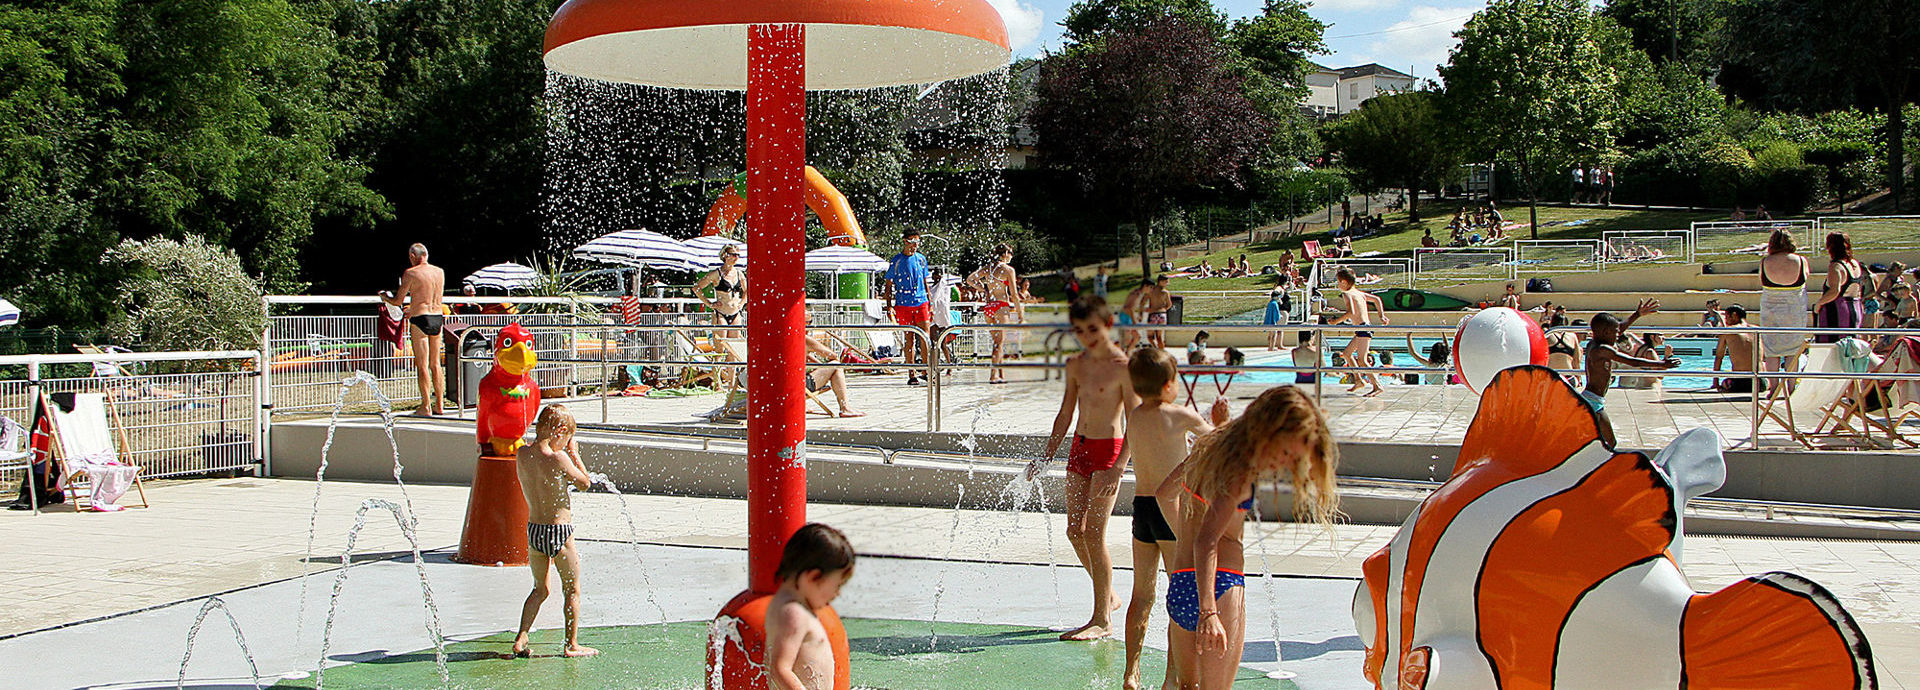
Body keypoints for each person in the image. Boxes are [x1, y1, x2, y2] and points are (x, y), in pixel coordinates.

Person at [1155, 386, 1339, 690]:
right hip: (1219, 590)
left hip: (1182, 583)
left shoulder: (1209, 446)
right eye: (1284, 453)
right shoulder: (1240, 473)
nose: (1281, 464)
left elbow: (1164, 494)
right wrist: (1209, 612)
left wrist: (1182, 539)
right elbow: (1208, 540)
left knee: (1185, 687)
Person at [1025, 296, 1137, 641]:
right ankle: (1110, 598)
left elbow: (1135, 419)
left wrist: (1120, 467)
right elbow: (1065, 413)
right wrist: (1047, 455)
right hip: (1080, 449)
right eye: (1079, 331)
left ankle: (1101, 619)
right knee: (1074, 531)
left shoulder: (1123, 367)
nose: (1087, 337)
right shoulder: (1076, 364)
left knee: (1093, 535)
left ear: (1108, 325)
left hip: (1109, 453)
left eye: (1092, 329)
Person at [1120, 349, 1228, 690]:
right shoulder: (1179, 415)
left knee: (1142, 594)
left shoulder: (1134, 415)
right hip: (1169, 510)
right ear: (1169, 385)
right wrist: (1220, 419)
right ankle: (1171, 677)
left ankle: (1131, 672)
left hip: (1142, 509)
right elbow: (1216, 441)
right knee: (1178, 592)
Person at [511, 405, 599, 658]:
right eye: (567, 438)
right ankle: (572, 644)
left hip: (535, 531)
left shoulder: (522, 454)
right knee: (572, 590)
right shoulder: (558, 458)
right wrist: (574, 455)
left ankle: (521, 638)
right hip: (559, 532)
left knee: (540, 589)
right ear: (560, 431)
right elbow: (585, 484)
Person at [764, 523, 856, 690]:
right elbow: (780, 669)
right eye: (836, 586)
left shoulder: (787, 605)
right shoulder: (794, 612)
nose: (837, 594)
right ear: (813, 577)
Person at [1583, 300, 1679, 447]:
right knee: (1611, 442)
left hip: (1592, 399)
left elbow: (1619, 329)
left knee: (1599, 440)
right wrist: (1662, 364)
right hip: (1593, 402)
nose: (1619, 334)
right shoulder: (1603, 350)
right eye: (1616, 332)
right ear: (1606, 332)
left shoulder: (1594, 343)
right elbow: (1633, 362)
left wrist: (1637, 314)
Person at [381, 243, 446, 416]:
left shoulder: (411, 273)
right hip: (437, 317)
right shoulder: (439, 272)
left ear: (412, 256)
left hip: (420, 319)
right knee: (436, 364)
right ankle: (440, 404)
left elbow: (397, 301)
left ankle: (426, 406)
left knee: (422, 365)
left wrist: (384, 297)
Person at [881, 230, 932, 386]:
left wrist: (931, 303)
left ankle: (926, 370)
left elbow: (925, 282)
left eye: (917, 242)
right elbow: (888, 287)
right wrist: (889, 306)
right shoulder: (896, 261)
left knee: (925, 337)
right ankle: (912, 373)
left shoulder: (921, 259)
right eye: (912, 242)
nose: (915, 246)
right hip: (903, 304)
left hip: (921, 302)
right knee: (909, 339)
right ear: (905, 241)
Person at [1328, 268, 1388, 397]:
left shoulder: (1347, 294)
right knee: (1347, 354)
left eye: (1338, 281)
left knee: (1362, 360)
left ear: (1343, 282)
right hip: (1363, 328)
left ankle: (1377, 386)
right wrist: (1381, 316)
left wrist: (1336, 321)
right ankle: (1359, 380)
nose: (1337, 284)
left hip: (1363, 328)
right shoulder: (1358, 293)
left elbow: (1351, 313)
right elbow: (1377, 299)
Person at [1759, 230, 1811, 372]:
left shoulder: (1765, 262)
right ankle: (1791, 387)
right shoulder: (1801, 261)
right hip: (1794, 311)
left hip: (1770, 311)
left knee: (1771, 352)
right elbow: (1806, 278)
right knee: (1793, 352)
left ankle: (1774, 388)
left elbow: (1762, 281)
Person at [971, 243, 1019, 384]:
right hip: (1001, 306)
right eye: (1010, 253)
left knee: (998, 343)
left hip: (990, 307)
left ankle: (1001, 374)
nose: (1011, 256)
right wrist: (1020, 312)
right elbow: (1014, 294)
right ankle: (993, 375)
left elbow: (970, 279)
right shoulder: (1008, 270)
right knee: (999, 343)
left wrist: (984, 290)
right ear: (1005, 254)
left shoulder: (988, 268)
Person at [1813, 232, 1868, 344]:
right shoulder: (1855, 264)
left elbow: (1835, 291)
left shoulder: (1836, 266)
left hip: (1837, 310)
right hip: (1855, 306)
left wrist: (1818, 304)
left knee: (1833, 344)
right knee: (1852, 345)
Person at [803, 333, 866, 418]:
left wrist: (819, 365)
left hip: (782, 388)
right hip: (801, 387)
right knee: (836, 365)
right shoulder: (803, 338)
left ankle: (801, 403)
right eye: (808, 322)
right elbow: (832, 355)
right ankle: (845, 407)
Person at [693, 244, 748, 330]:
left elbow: (747, 290)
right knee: (721, 342)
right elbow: (696, 288)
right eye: (734, 255)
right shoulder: (716, 274)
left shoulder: (739, 273)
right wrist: (709, 304)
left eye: (738, 255)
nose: (736, 258)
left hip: (736, 313)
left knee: (734, 343)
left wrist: (742, 303)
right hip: (721, 312)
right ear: (725, 256)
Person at [1713, 305, 1760, 394]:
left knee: (1725, 383)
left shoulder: (1729, 331)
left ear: (1734, 315)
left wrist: (1715, 383)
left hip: (1740, 382)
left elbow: (1719, 357)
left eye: (1726, 317)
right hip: (1760, 383)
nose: (1726, 321)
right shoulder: (1757, 330)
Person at [927, 266, 957, 366]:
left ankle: (949, 365)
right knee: (933, 342)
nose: (936, 277)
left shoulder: (944, 286)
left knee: (943, 343)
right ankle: (934, 364)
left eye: (938, 274)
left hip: (941, 315)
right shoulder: (931, 288)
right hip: (933, 315)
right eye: (935, 275)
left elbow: (939, 300)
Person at [1137, 275, 1174, 350]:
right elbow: (1169, 304)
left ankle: (1155, 348)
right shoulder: (1166, 292)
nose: (1167, 283)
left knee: (1150, 337)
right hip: (1162, 315)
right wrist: (1163, 309)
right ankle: (1161, 352)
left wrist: (1141, 313)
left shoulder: (1151, 291)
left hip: (1152, 314)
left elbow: (1142, 302)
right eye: (1166, 282)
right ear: (1160, 281)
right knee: (1159, 337)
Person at [1291, 328, 1321, 396]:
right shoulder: (1315, 352)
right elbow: (1323, 367)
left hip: (1299, 379)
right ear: (1311, 337)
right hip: (1313, 380)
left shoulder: (1294, 352)